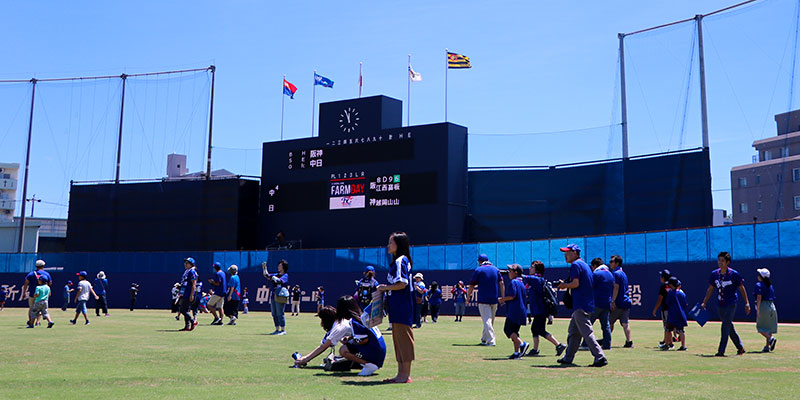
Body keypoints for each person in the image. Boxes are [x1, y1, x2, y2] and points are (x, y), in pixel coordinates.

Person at [555, 244, 607, 367]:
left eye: (568, 252)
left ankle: (600, 356)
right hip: (586, 303)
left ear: (575, 253)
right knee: (574, 332)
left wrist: (564, 285)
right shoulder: (584, 265)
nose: (565, 255)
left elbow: (575, 283)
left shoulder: (575, 265)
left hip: (581, 304)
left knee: (587, 332)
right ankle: (568, 358)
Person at [376, 231, 415, 384]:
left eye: (391, 242)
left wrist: (385, 288)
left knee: (404, 340)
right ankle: (400, 374)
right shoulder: (398, 261)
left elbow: (402, 284)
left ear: (399, 244)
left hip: (402, 306)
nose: (388, 245)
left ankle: (405, 376)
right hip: (398, 306)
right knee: (398, 340)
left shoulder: (401, 260)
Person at [701, 251, 750, 356]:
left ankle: (721, 351)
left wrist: (747, 303)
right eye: (719, 260)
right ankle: (740, 347)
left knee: (725, 326)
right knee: (729, 327)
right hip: (720, 304)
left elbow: (742, 288)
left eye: (722, 260)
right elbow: (710, 289)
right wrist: (704, 302)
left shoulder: (734, 274)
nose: (720, 262)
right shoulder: (715, 274)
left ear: (727, 262)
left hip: (731, 303)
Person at [521, 261, 566, 356]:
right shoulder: (536, 280)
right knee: (534, 329)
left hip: (540, 310)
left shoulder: (537, 279)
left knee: (540, 330)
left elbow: (524, 277)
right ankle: (535, 350)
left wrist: (516, 272)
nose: (529, 268)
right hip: (538, 310)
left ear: (537, 270)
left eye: (532, 267)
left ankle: (558, 345)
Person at [468, 254, 505, 346]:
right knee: (490, 320)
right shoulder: (496, 269)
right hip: (494, 299)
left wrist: (468, 296)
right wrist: (503, 297)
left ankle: (491, 341)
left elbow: (472, 285)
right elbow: (502, 283)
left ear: (480, 261)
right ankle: (484, 339)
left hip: (483, 299)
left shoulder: (479, 270)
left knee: (487, 320)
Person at [498, 264, 530, 359]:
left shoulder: (513, 282)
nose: (509, 272)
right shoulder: (521, 283)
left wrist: (502, 299)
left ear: (516, 273)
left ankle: (522, 344)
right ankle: (516, 353)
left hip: (514, 311)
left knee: (508, 330)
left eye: (511, 271)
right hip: (521, 311)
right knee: (515, 332)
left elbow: (512, 296)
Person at [609, 255, 633, 348]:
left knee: (609, 322)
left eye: (612, 261)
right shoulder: (623, 273)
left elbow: (616, 287)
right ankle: (629, 341)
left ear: (617, 263)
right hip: (626, 301)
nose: (610, 263)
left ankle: (607, 340)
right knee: (625, 323)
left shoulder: (615, 273)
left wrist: (613, 301)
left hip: (618, 302)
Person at [589, 258, 614, 350]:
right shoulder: (610, 274)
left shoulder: (596, 274)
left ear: (595, 265)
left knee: (588, 324)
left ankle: (585, 343)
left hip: (596, 303)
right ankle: (607, 345)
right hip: (606, 303)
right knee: (606, 325)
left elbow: (590, 286)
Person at [754, 268, 777, 352]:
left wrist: (758, 309)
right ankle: (767, 346)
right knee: (768, 328)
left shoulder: (759, 285)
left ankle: (771, 338)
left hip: (764, 306)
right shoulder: (770, 285)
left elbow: (759, 297)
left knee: (760, 327)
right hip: (772, 305)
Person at [263, 259, 289, 335]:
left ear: (283, 267)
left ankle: (283, 330)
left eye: (280, 265)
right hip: (274, 295)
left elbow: (279, 281)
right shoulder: (276, 274)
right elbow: (267, 275)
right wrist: (264, 268)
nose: (278, 267)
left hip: (280, 296)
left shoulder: (285, 275)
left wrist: (273, 277)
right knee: (274, 313)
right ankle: (277, 329)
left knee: (280, 313)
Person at [662, 277, 688, 351]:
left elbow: (667, 303)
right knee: (681, 330)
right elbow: (685, 304)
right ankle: (683, 346)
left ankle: (667, 345)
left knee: (668, 330)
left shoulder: (670, 294)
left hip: (672, 315)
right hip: (681, 314)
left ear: (671, 285)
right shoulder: (682, 293)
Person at [652, 269, 673, 348]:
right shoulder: (672, 285)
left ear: (663, 277)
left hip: (665, 308)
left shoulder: (663, 286)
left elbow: (660, 299)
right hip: (672, 308)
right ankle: (667, 340)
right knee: (670, 325)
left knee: (667, 326)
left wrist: (655, 309)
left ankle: (669, 343)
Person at [178, 257, 199, 332]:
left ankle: (193, 321)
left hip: (188, 293)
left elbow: (194, 284)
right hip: (184, 293)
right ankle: (187, 326)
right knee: (185, 310)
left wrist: (192, 295)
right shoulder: (187, 271)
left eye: (187, 263)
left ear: (191, 264)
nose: (185, 264)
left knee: (182, 310)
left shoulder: (192, 271)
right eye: (185, 263)